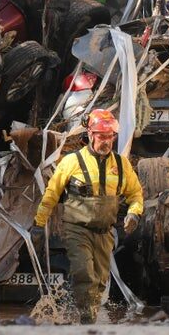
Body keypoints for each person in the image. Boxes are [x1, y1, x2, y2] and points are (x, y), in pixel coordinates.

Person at [34, 109, 144, 324]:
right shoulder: (71, 162)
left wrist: (134, 214)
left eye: (110, 136)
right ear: (90, 135)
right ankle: (87, 321)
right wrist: (39, 224)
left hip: (104, 233)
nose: (106, 141)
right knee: (85, 273)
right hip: (77, 229)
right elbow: (51, 194)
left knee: (100, 281)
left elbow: (136, 195)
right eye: (101, 136)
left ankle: (83, 317)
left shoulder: (122, 165)